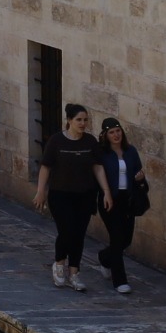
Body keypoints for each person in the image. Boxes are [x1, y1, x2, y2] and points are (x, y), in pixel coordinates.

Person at [35, 104, 114, 290]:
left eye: (85, 120)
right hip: (60, 194)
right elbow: (46, 167)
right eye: (79, 120)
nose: (82, 123)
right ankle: (59, 264)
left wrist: (106, 192)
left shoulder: (90, 142)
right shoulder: (56, 141)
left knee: (79, 234)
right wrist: (41, 191)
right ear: (69, 120)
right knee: (66, 230)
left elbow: (97, 167)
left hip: (85, 195)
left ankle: (74, 272)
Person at [96, 117, 148, 294]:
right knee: (117, 239)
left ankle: (104, 258)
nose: (116, 135)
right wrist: (105, 194)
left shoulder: (131, 151)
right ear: (105, 135)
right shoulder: (102, 155)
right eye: (111, 132)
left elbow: (140, 179)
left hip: (128, 200)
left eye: (118, 131)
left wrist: (140, 180)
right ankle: (120, 281)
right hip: (109, 201)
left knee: (126, 240)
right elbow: (97, 178)